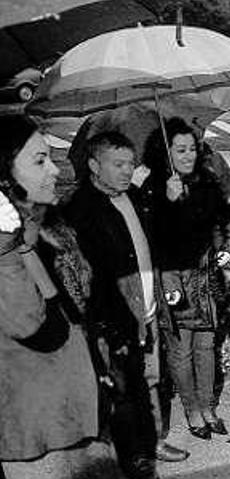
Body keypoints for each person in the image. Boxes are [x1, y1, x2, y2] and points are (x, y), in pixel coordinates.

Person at [63, 132, 190, 472]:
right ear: (93, 165)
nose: (126, 171)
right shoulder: (80, 210)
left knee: (151, 378)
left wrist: (171, 201)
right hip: (117, 317)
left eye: (129, 164)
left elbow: (160, 240)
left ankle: (154, 440)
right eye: (117, 164)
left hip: (148, 307)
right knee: (123, 390)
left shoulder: (134, 196)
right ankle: (133, 454)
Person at [0, 117, 106, 479]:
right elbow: (25, 320)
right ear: (5, 177)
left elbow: (78, 310)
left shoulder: (51, 225)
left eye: (50, 158)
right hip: (37, 435)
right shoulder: (6, 246)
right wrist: (7, 243)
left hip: (81, 413)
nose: (54, 170)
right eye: (38, 161)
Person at [143, 119, 230, 441]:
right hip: (174, 279)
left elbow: (221, 222)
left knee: (207, 346)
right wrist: (168, 203)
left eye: (192, 148)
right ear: (164, 153)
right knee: (181, 351)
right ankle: (192, 411)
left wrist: (225, 249)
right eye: (180, 150)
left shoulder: (205, 181)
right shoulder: (152, 189)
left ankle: (209, 408)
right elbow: (154, 242)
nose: (188, 155)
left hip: (205, 277)